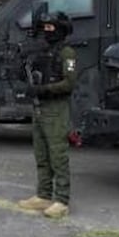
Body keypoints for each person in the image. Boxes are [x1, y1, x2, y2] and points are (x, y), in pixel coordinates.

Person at [17, 11, 77, 218]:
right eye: (45, 28)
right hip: (40, 108)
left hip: (56, 109)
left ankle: (61, 200)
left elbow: (69, 83)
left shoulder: (66, 53)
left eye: (51, 28)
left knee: (58, 156)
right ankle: (43, 195)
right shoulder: (43, 50)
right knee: (41, 154)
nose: (47, 31)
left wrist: (44, 90)